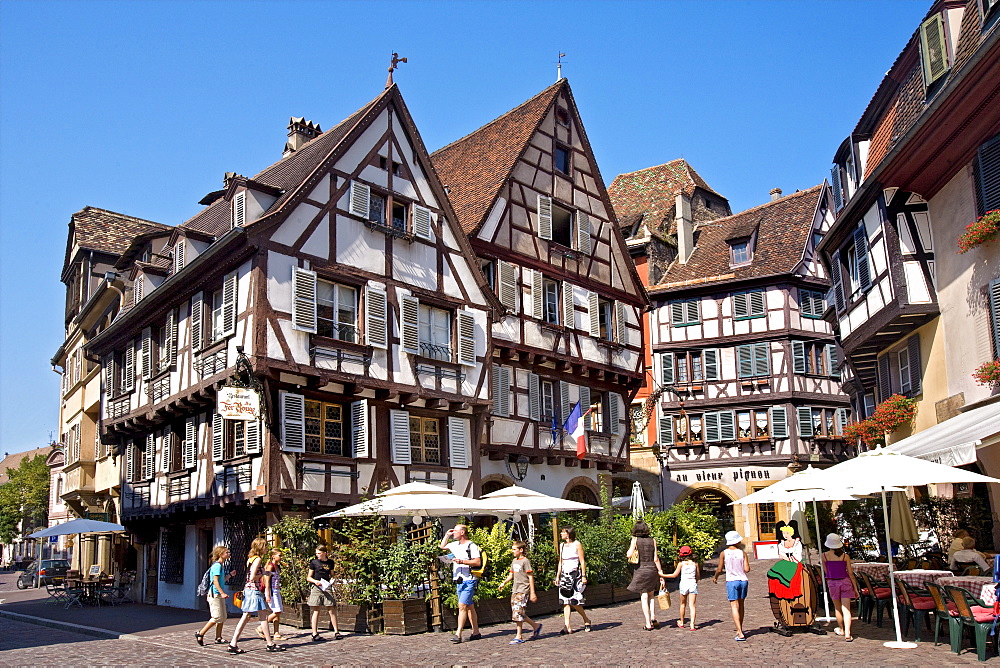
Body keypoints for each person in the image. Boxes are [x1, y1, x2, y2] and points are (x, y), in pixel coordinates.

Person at [229, 537, 283, 654]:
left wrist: (265, 573)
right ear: (260, 547)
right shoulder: (257, 559)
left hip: (250, 590)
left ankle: (269, 643)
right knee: (251, 616)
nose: (266, 549)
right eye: (265, 546)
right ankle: (234, 643)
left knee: (259, 616)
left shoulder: (251, 559)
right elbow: (253, 576)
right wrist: (263, 573)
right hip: (254, 590)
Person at [440, 524, 482, 643]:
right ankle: (476, 632)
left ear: (462, 532)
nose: (454, 533)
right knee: (469, 607)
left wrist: (462, 561)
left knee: (462, 606)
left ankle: (458, 634)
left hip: (469, 579)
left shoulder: (471, 545)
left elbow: (477, 562)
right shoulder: (454, 545)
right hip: (459, 580)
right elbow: (442, 546)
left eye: (455, 531)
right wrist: (447, 535)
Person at [499, 541, 541, 644]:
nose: (512, 551)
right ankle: (536, 626)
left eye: (514, 549)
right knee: (517, 611)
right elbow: (511, 575)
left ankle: (519, 635)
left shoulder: (525, 561)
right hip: (515, 589)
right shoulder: (514, 561)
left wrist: (532, 592)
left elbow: (530, 577)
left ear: (521, 550)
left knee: (518, 611)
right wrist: (504, 583)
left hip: (523, 589)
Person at [625, 521, 664, 631]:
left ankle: (648, 623)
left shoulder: (635, 540)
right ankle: (653, 616)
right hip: (652, 569)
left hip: (641, 569)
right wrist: (660, 572)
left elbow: (629, 554)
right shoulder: (653, 540)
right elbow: (656, 558)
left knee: (644, 596)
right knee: (651, 594)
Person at [822, 533, 860, 642]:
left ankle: (841, 629)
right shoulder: (845, 556)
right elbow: (851, 573)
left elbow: (826, 571)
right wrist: (855, 588)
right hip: (845, 582)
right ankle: (848, 633)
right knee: (846, 609)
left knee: (837, 608)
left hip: (833, 583)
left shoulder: (824, 556)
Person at [713, 530, 750, 641]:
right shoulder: (742, 553)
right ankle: (740, 628)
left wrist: (715, 577)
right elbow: (747, 569)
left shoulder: (724, 553)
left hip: (731, 581)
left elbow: (719, 569)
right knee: (741, 605)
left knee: (734, 606)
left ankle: (739, 632)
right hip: (743, 580)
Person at [554, 526, 592, 634]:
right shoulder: (562, 546)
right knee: (565, 601)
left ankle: (586, 620)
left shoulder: (577, 544)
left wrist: (583, 575)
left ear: (568, 533)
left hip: (574, 575)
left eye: (563, 532)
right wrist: (557, 576)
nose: (561, 534)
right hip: (565, 576)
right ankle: (567, 626)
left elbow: (582, 561)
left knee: (574, 601)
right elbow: (560, 562)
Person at [195, 545, 231, 646]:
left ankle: (218, 637)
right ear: (221, 554)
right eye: (226, 552)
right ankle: (200, 633)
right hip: (215, 594)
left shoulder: (221, 566)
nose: (228, 554)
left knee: (223, 617)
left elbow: (220, 580)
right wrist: (222, 593)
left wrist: (230, 575)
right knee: (216, 617)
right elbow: (215, 581)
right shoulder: (217, 566)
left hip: (218, 593)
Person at [306, 545, 342, 641]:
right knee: (316, 609)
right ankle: (314, 633)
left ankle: (336, 631)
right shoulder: (314, 562)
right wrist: (315, 581)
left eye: (319, 553)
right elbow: (308, 577)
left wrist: (333, 580)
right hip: (317, 586)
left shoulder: (330, 562)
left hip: (326, 586)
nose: (317, 555)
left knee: (331, 608)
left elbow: (332, 574)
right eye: (316, 553)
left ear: (324, 553)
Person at [665, 545, 699, 630]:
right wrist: (696, 581)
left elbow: (674, 575)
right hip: (692, 583)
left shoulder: (681, 564)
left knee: (683, 604)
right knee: (692, 605)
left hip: (684, 583)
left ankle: (682, 621)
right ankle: (692, 624)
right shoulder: (695, 564)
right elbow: (697, 576)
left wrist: (662, 575)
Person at [262, 548, 286, 641]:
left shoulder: (277, 566)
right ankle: (261, 627)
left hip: (276, 590)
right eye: (279, 555)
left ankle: (276, 633)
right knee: (277, 611)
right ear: (273, 556)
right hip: (272, 591)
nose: (280, 557)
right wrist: (267, 594)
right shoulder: (270, 566)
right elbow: (266, 580)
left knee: (278, 613)